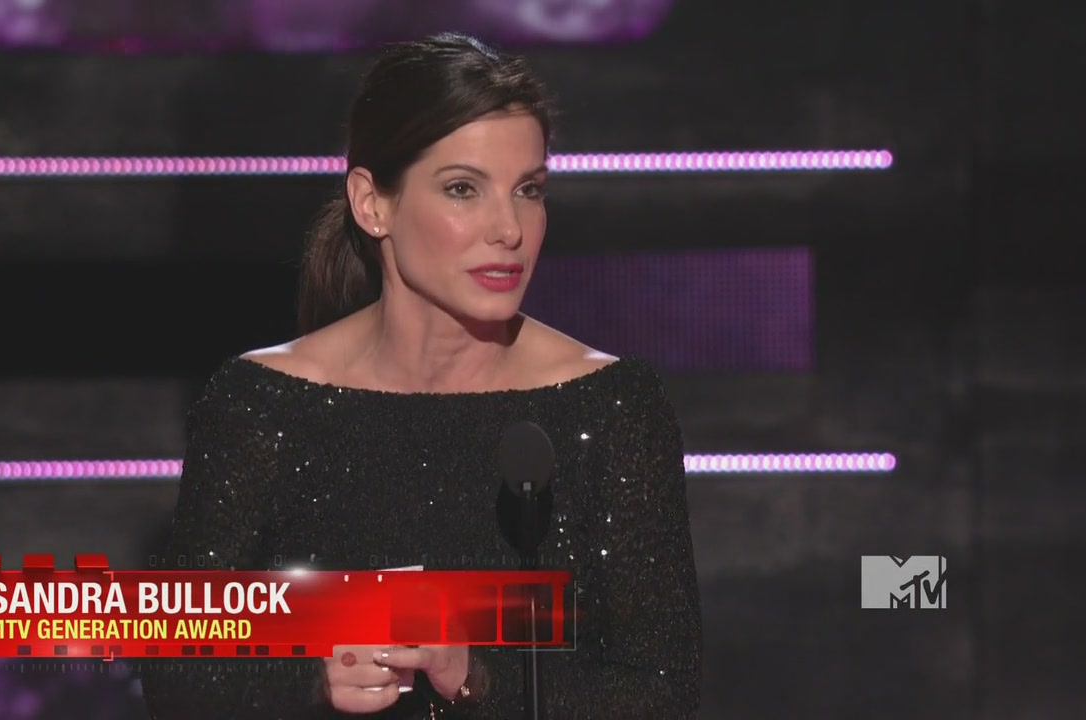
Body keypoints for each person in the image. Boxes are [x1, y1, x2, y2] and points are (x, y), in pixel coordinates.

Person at [141, 32, 702, 719]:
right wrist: (311, 679)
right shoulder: (263, 405)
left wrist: (474, 676)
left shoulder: (611, 407)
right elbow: (178, 673)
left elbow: (662, 691)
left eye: (528, 190)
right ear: (372, 203)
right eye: (464, 189)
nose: (509, 229)